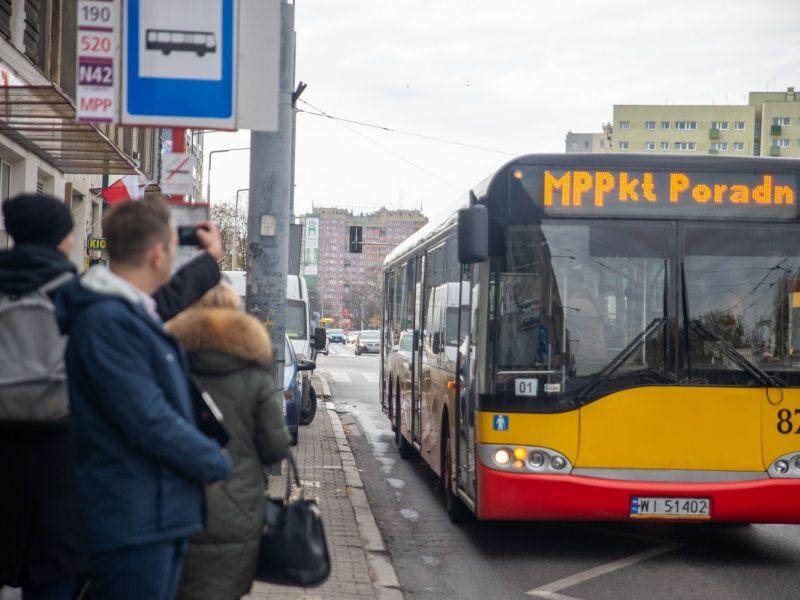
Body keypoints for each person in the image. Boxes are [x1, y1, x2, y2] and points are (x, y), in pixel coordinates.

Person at [0, 192, 227, 600]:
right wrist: (208, 264)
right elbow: (147, 412)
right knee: (56, 577)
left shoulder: (82, 301)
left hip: (9, 455)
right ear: (61, 240)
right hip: (67, 458)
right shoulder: (82, 298)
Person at [167, 282, 290, 600]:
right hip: (238, 513)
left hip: (176, 508)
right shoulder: (255, 376)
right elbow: (275, 448)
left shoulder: (168, 365)